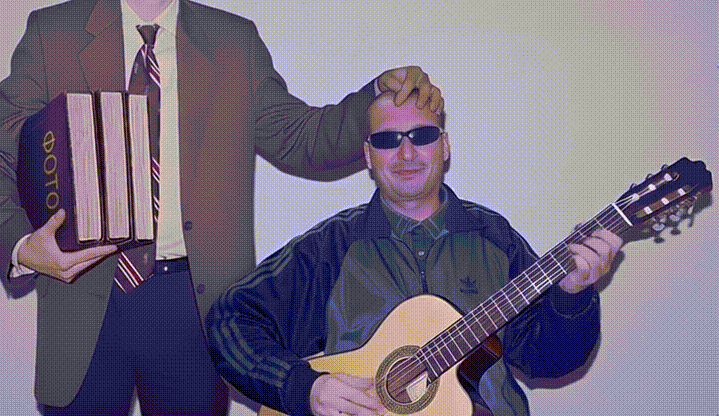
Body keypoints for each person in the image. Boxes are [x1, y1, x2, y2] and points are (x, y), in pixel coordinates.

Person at [0, 0, 443, 416]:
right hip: (82, 295)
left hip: (194, 305)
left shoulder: (234, 43)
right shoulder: (55, 34)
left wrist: (378, 94)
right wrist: (23, 247)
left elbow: (301, 138)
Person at [207, 91, 623, 416]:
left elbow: (551, 360)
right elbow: (229, 320)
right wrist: (304, 388)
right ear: (368, 156)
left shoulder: (495, 238)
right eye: (387, 140)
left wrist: (572, 297)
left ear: (444, 146)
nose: (406, 153)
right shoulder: (333, 247)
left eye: (422, 136)